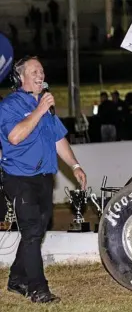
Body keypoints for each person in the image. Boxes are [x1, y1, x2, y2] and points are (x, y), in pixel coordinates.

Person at [0, 56, 87, 303]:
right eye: (35, 71)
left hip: (43, 178)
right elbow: (15, 137)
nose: (41, 75)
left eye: (42, 71)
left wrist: (75, 165)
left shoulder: (46, 107)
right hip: (18, 178)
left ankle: (16, 279)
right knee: (32, 232)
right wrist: (38, 110)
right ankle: (38, 289)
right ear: (21, 78)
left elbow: (58, 139)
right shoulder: (9, 106)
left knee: (36, 230)